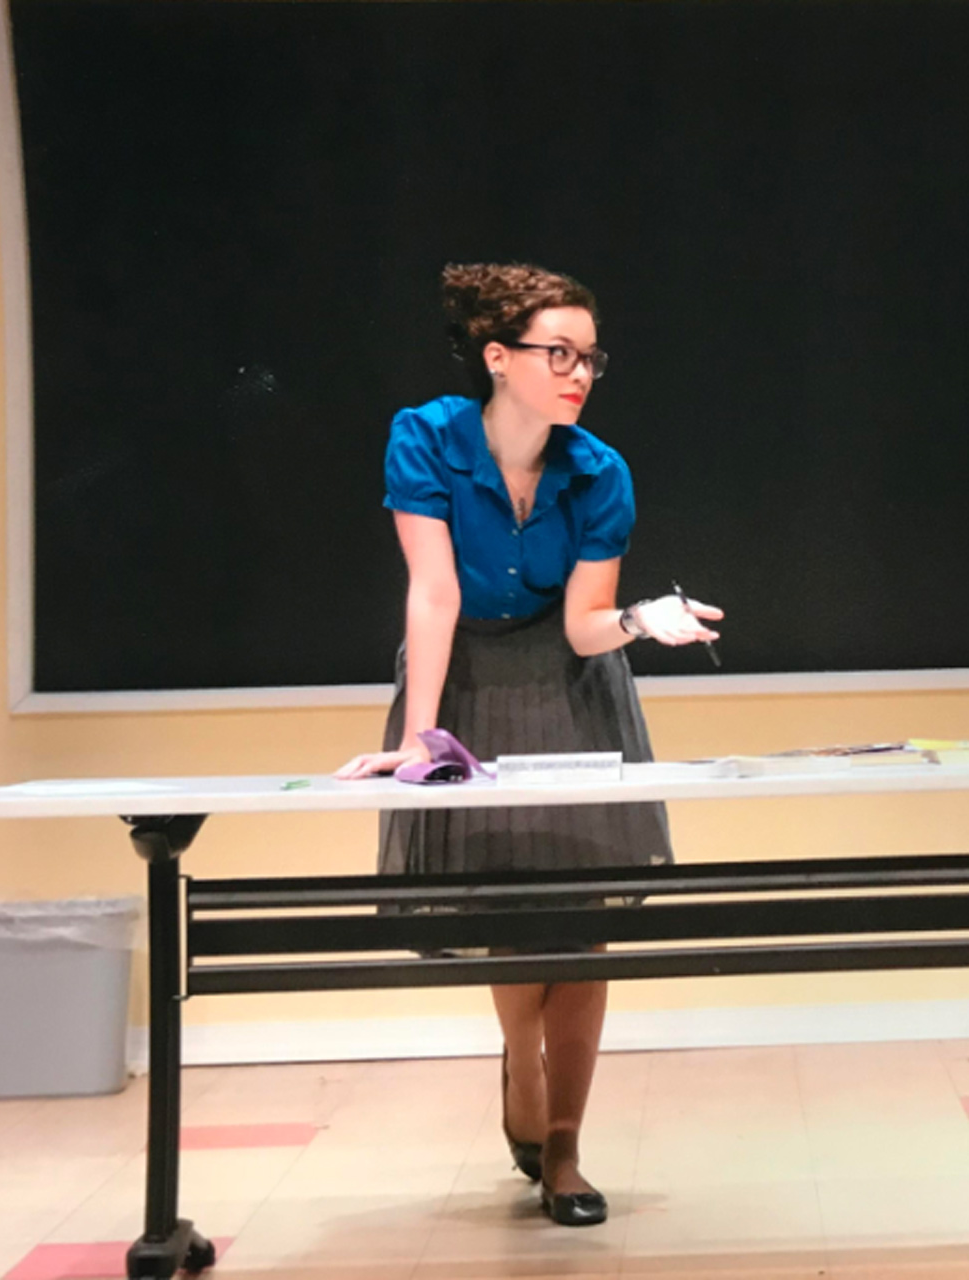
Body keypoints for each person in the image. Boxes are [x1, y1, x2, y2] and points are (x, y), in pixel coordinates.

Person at [336, 263, 721, 1226]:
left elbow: (588, 625)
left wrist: (642, 617)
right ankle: (521, 1067)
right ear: (499, 358)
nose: (578, 371)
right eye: (558, 352)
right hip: (464, 676)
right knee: (509, 915)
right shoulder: (424, 437)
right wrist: (426, 733)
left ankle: (564, 1148)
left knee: (584, 926)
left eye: (589, 356)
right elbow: (434, 592)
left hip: (572, 685)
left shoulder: (600, 471)